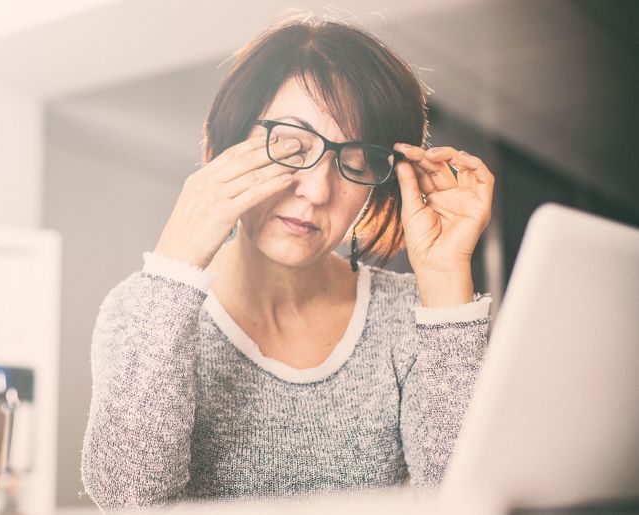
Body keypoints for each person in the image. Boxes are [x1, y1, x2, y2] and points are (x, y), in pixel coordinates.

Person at [80, 11, 495, 513]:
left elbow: (468, 499)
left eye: (354, 163)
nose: (318, 190)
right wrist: (174, 266)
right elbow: (127, 498)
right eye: (291, 146)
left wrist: (447, 282)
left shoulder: (412, 315)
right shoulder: (139, 309)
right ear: (229, 142)